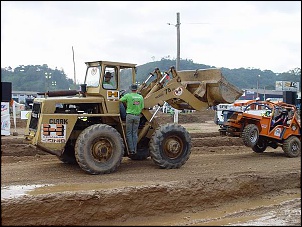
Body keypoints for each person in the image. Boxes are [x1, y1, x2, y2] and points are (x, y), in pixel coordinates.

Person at [119, 84, 144, 155]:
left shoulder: (128, 96)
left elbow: (119, 100)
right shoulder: (140, 97)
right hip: (137, 117)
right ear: (136, 89)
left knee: (129, 133)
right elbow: (142, 107)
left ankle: (131, 150)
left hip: (129, 116)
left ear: (131, 89)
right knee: (135, 133)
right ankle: (135, 149)